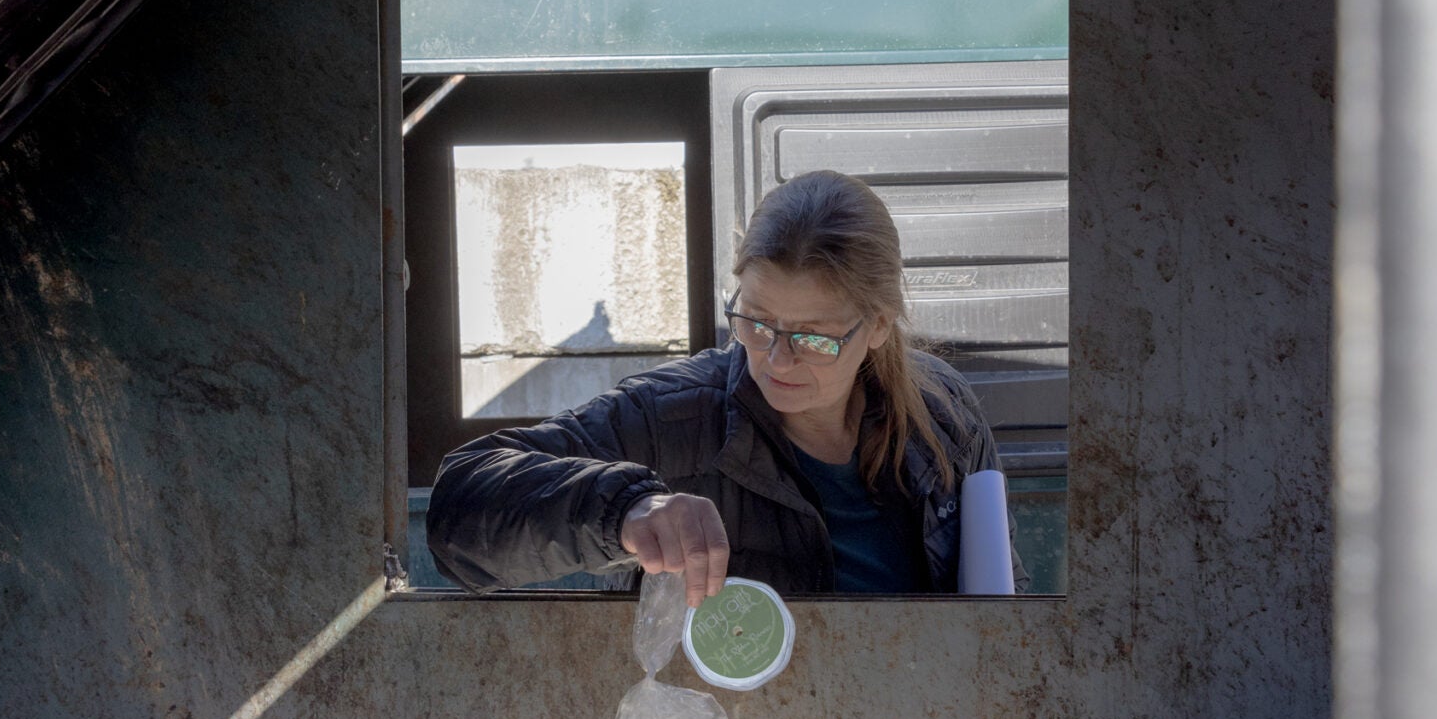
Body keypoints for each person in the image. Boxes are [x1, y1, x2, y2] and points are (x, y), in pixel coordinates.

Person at [427, 170, 1017, 599]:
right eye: (756, 321)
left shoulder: (943, 412)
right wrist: (625, 511)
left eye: (812, 337)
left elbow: (1001, 596)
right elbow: (459, 511)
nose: (777, 359)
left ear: (880, 325)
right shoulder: (673, 417)